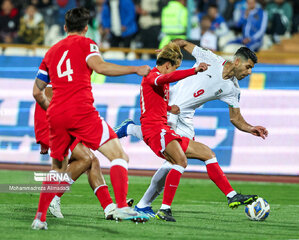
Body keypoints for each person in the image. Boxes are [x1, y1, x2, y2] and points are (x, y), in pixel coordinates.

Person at [115, 39, 268, 219]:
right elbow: (182, 42)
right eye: (248, 67)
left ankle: (145, 203)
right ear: (237, 61)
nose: (249, 72)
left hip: (186, 117)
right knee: (176, 158)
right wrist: (167, 49)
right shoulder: (210, 58)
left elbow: (235, 118)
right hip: (170, 106)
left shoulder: (233, 89)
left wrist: (250, 128)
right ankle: (152, 204)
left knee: (176, 161)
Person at [31, 7, 151, 230]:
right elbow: (101, 67)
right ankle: (122, 206)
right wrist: (135, 69)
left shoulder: (51, 52)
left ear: (65, 27)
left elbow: (37, 92)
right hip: (81, 112)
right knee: (119, 155)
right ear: (86, 28)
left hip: (56, 114)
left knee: (57, 168)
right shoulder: (87, 44)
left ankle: (40, 218)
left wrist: (53, 110)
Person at [34, 89, 134, 220]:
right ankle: (53, 199)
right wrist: (43, 140)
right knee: (86, 159)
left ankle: (109, 207)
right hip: (59, 129)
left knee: (93, 161)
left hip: (71, 126)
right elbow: (42, 106)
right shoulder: (53, 83)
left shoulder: (65, 80)